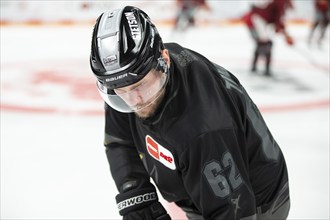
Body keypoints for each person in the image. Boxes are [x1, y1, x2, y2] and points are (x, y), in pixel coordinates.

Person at [90, 6, 290, 220]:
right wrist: (137, 194)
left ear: (163, 60)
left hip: (257, 203)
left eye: (141, 86)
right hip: (200, 186)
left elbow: (232, 211)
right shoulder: (132, 76)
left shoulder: (205, 128)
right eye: (121, 90)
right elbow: (120, 140)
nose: (134, 101)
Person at [242, 0, 294, 76]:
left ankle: (256, 67)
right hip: (257, 19)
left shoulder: (281, 2)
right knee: (266, 42)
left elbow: (277, 20)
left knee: (262, 42)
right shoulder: (281, 2)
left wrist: (283, 32)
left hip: (258, 19)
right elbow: (278, 19)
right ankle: (266, 68)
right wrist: (286, 35)